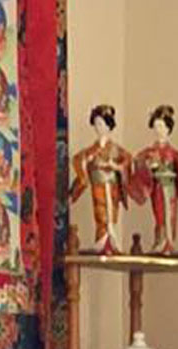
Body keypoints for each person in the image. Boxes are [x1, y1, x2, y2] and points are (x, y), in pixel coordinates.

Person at [134, 105, 178, 256]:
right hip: (157, 187)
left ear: (168, 129)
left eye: (162, 126)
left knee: (170, 214)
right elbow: (139, 162)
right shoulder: (149, 152)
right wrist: (148, 167)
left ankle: (169, 241)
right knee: (159, 214)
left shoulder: (175, 153)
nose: (159, 130)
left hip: (170, 188)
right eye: (156, 126)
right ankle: (161, 240)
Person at [70, 105, 134, 255]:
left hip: (112, 184)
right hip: (98, 183)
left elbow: (128, 161)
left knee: (112, 213)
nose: (98, 127)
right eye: (96, 124)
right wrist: (86, 162)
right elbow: (78, 159)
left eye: (101, 123)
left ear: (109, 126)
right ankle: (101, 241)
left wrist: (116, 166)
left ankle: (111, 242)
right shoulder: (92, 150)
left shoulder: (116, 149)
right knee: (100, 213)